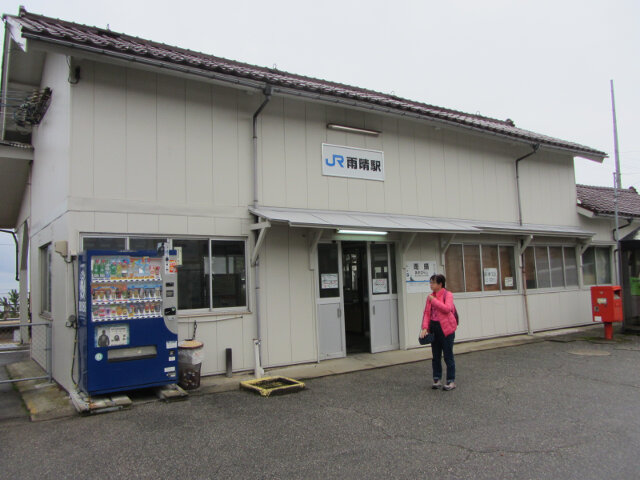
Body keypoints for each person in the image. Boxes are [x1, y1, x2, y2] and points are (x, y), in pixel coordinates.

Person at [420, 274, 457, 390]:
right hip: (434, 327)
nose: (431, 285)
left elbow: (447, 309)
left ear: (440, 284)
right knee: (435, 356)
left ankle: (451, 381)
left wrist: (434, 301)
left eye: (433, 282)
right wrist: (425, 328)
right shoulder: (430, 297)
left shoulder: (448, 294)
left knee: (448, 356)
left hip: (446, 329)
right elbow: (427, 313)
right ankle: (436, 379)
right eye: (430, 282)